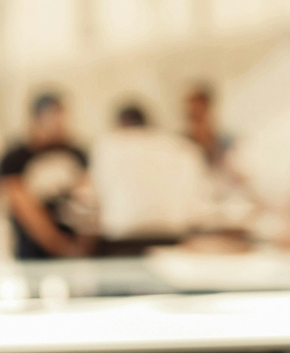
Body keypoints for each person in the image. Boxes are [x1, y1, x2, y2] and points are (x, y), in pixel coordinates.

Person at [90, 100, 211, 251]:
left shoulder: (109, 145)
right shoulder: (182, 146)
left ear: (119, 124)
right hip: (174, 236)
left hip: (121, 237)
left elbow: (94, 195)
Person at [0, 91, 93, 259]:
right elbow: (23, 206)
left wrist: (83, 245)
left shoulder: (78, 153)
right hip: (32, 254)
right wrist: (62, 247)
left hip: (79, 251)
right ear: (37, 118)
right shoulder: (15, 158)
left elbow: (89, 203)